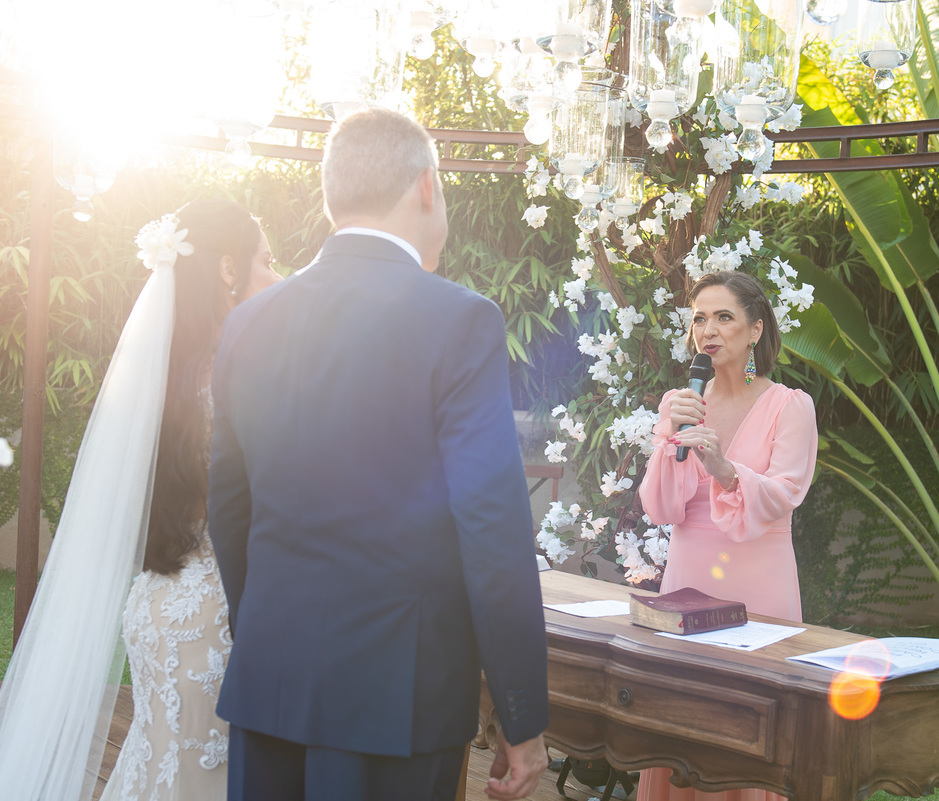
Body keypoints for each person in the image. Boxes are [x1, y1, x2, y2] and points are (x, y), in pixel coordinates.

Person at [206, 107, 550, 801]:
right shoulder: (460, 319)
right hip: (400, 696)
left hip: (271, 677)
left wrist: (270, 627)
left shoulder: (247, 321)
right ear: (427, 187)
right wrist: (522, 715)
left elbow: (229, 506)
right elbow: (493, 527)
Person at [0, 199, 281, 801]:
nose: (276, 277)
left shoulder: (161, 377)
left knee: (159, 769)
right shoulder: (235, 377)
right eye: (267, 260)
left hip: (156, 604)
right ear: (228, 271)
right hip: (214, 615)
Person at [636, 270, 818, 801]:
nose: (708, 330)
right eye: (699, 318)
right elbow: (661, 505)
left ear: (756, 329)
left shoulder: (791, 406)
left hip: (759, 581)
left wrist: (723, 467)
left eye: (723, 317)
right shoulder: (682, 402)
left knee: (752, 727)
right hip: (687, 579)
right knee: (681, 724)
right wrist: (672, 434)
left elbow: (785, 492)